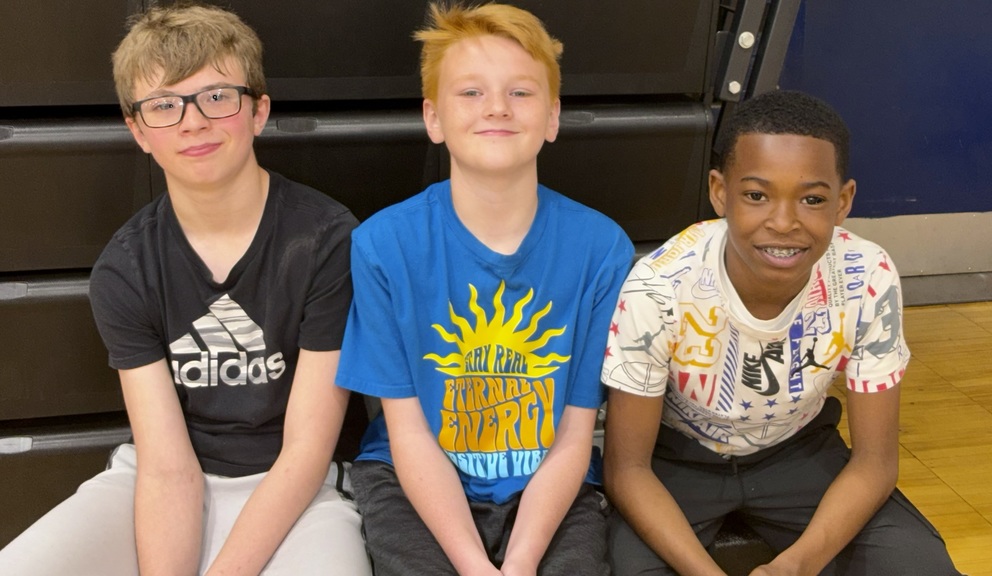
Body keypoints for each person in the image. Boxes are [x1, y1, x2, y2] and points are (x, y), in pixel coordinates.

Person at [0, 4, 371, 575]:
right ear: (138, 131)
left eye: (217, 97)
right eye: (164, 106)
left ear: (259, 111)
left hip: (299, 485)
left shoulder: (326, 240)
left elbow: (305, 450)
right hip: (159, 476)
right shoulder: (125, 268)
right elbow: (168, 466)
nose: (193, 122)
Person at [602, 90, 962, 575]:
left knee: (921, 566)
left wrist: (794, 567)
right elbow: (628, 469)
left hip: (800, 453)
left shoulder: (867, 275)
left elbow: (875, 463)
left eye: (812, 199)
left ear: (843, 201)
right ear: (719, 192)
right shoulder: (659, 286)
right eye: (756, 195)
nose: (784, 222)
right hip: (676, 462)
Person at [334, 3, 633, 575]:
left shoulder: (602, 248)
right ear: (433, 117)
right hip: (411, 478)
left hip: (549, 481)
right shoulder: (382, 246)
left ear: (552, 116)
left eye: (521, 93)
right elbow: (409, 433)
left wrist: (518, 563)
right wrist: (474, 565)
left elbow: (575, 433)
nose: (496, 107)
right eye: (470, 93)